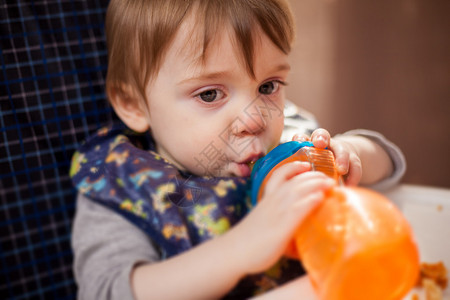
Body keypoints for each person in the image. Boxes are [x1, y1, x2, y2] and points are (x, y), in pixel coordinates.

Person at [70, 0, 405, 299]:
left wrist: (348, 152)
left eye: (267, 86)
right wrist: (241, 248)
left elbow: (389, 162)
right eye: (210, 94)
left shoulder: (289, 138)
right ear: (133, 104)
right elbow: (109, 291)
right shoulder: (121, 183)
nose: (255, 119)